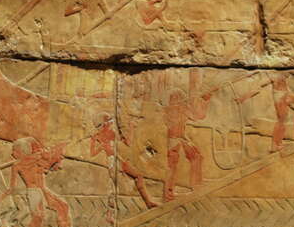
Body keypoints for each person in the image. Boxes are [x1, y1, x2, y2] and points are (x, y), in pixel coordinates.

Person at [0, 138, 85, 227]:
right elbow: (11, 188)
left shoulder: (35, 158)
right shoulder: (19, 164)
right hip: (34, 193)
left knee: (62, 206)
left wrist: (44, 152)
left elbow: (46, 159)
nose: (12, 154)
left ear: (23, 151)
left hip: (43, 190)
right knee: (37, 219)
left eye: (15, 151)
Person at [90, 112, 157, 209]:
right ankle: (110, 214)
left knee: (138, 176)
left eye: (111, 121)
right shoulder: (96, 137)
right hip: (111, 162)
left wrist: (131, 128)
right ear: (104, 124)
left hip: (119, 160)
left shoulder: (112, 133)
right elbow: (92, 153)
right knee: (114, 188)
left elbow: (127, 142)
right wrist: (101, 147)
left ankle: (148, 202)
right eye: (109, 121)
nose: (111, 123)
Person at [163, 71, 212, 201]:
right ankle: (168, 193)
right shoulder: (171, 110)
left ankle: (196, 184)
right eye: (176, 98)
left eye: (179, 98)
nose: (178, 100)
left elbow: (198, 116)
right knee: (172, 166)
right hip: (173, 140)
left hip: (181, 138)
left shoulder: (180, 108)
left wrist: (206, 100)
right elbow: (197, 116)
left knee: (196, 156)